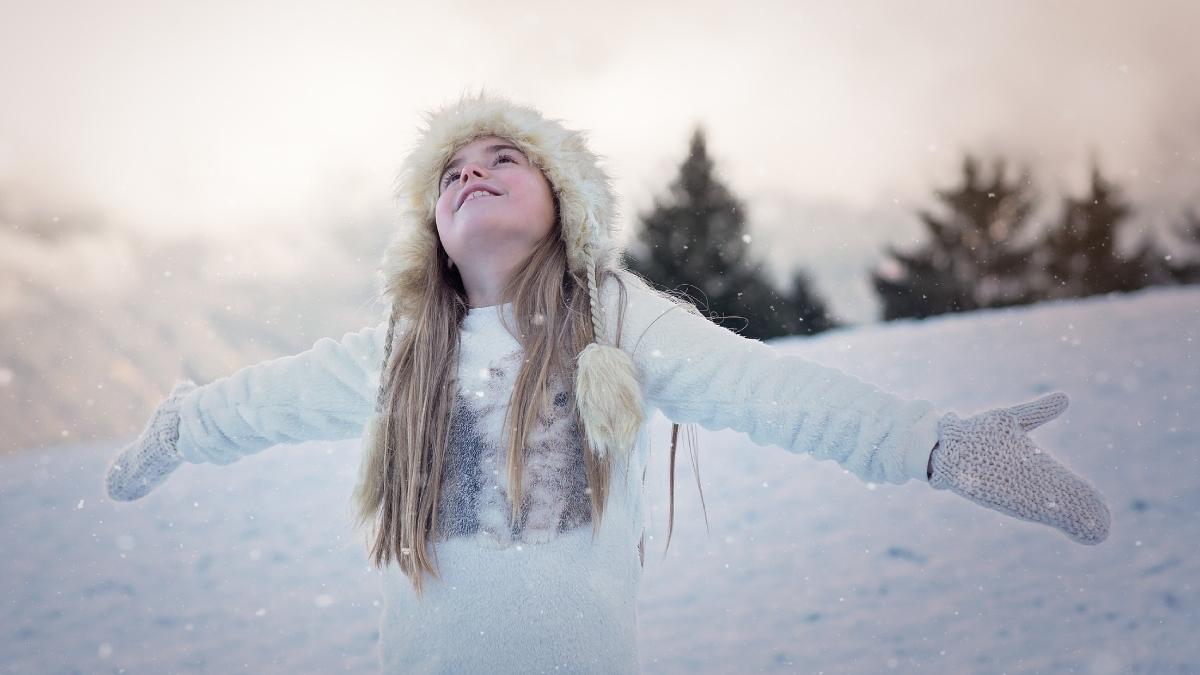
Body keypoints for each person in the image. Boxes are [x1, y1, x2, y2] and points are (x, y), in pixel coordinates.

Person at [103, 91, 1112, 674]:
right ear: (432, 230)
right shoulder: (402, 351)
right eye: (451, 170)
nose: (472, 172)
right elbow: (266, 401)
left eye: (505, 157)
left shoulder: (616, 316)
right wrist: (186, 423)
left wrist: (933, 443)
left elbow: (768, 390)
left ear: (565, 204)